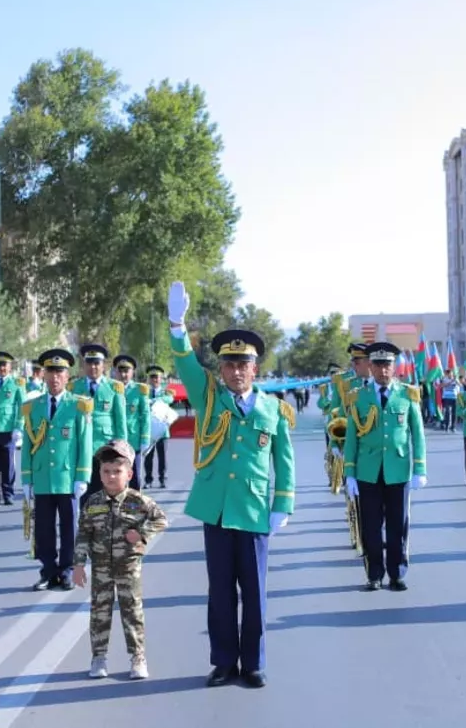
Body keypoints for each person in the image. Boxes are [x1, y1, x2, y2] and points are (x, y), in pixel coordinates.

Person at [167, 280, 295, 689]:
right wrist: (176, 325)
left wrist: (283, 504)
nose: (237, 371)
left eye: (244, 365)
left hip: (255, 509)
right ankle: (223, 661)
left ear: (255, 368)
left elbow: (284, 460)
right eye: (230, 365)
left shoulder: (274, 409)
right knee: (220, 590)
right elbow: (186, 362)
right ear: (221, 370)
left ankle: (253, 662)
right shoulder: (208, 396)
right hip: (217, 507)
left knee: (254, 592)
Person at [74, 440, 169, 681]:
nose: (111, 476)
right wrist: (77, 564)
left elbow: (161, 520)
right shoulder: (93, 502)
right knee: (99, 612)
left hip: (128, 568)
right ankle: (98, 657)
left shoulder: (138, 502)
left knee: (132, 613)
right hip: (101, 569)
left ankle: (138, 658)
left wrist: (142, 534)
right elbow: (83, 533)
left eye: (117, 471)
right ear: (100, 474)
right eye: (106, 471)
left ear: (129, 474)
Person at [343, 341, 427, 592]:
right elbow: (351, 437)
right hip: (368, 471)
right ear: (370, 366)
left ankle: (397, 573)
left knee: (397, 525)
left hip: (398, 469)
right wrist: (349, 473)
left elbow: (417, 433)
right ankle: (374, 574)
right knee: (370, 526)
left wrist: (419, 468)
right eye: (378, 364)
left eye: (387, 364)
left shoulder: (407, 394)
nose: (383, 370)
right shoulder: (358, 397)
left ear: (394, 366)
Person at [21, 348, 94, 591]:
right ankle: (47, 571)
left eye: (59, 372)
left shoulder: (78, 406)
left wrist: (82, 476)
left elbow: (84, 443)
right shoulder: (33, 407)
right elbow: (28, 443)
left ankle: (66, 570)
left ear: (67, 376)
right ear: (43, 375)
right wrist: (27, 477)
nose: (54, 377)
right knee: (43, 528)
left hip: (66, 477)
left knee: (69, 527)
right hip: (42, 477)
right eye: (50, 371)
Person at [68, 344, 127, 505]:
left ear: (103, 365)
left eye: (97, 363)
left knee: (107, 489)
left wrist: (122, 450)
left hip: (106, 447)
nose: (93, 367)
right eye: (89, 363)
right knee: (84, 490)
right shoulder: (74, 387)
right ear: (84, 365)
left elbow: (120, 421)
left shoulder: (115, 387)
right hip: (81, 447)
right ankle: (86, 524)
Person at [0, 352, 26, 506]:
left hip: (8, 428)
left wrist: (18, 427)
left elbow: (22, 406)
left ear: (10, 367)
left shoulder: (16, 384)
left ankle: (8, 494)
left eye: (5, 365)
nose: (2, 368)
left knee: (8, 463)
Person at [113, 355, 151, 490]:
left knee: (135, 476)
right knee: (116, 475)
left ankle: (135, 506)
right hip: (115, 440)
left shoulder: (139, 390)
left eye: (126, 371)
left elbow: (145, 415)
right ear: (115, 371)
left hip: (133, 440)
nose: (123, 374)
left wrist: (145, 439)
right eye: (120, 371)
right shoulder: (110, 388)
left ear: (132, 372)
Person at [143, 365, 175, 488]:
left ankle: (162, 479)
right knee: (148, 457)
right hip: (149, 431)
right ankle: (148, 480)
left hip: (162, 431)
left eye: (157, 377)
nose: (155, 379)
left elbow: (170, 399)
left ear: (161, 379)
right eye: (152, 377)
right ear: (148, 379)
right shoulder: (144, 392)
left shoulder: (165, 392)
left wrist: (154, 400)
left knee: (163, 457)